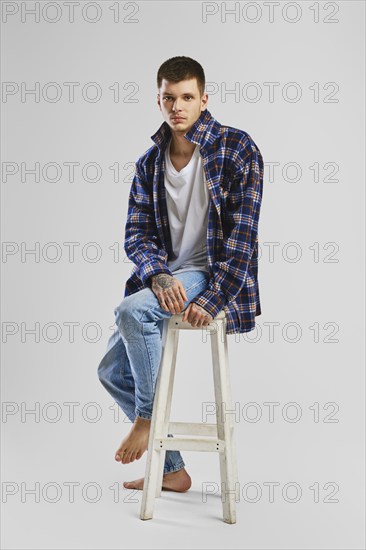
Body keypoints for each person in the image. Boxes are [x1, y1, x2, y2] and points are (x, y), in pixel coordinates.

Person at [97, 56, 264, 493]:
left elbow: (243, 240)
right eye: (169, 98)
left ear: (203, 99)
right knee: (111, 373)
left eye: (187, 97)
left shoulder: (237, 148)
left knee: (132, 313)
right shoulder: (149, 164)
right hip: (170, 276)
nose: (178, 106)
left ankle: (148, 418)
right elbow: (136, 235)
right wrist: (158, 276)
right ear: (159, 100)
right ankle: (173, 470)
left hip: (211, 273)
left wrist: (211, 300)